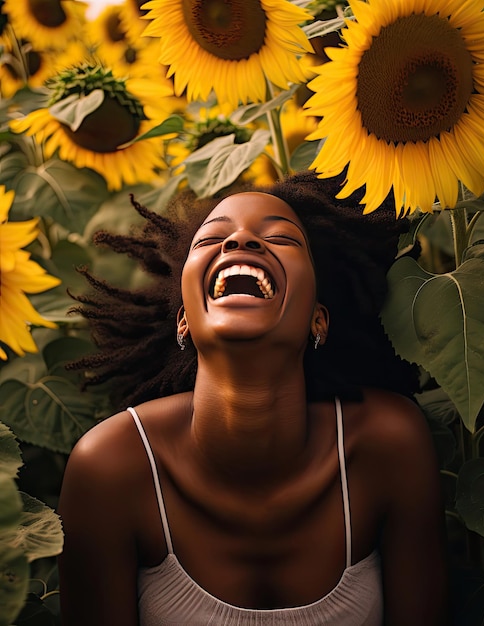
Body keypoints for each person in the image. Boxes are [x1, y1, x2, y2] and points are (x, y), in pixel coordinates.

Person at [58, 171, 449, 625]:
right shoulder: (111, 468)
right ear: (183, 320)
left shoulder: (386, 446)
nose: (240, 241)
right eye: (212, 239)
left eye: (281, 237)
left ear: (318, 320)